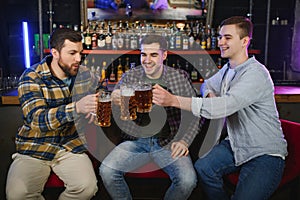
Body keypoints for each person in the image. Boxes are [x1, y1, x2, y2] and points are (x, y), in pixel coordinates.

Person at [152, 16, 287, 200]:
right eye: (220, 36)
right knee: (203, 168)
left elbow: (223, 107)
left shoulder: (255, 74)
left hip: (264, 153)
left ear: (245, 41)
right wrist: (209, 93)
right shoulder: (228, 69)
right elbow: (207, 84)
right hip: (236, 145)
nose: (221, 42)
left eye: (228, 38)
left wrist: (173, 100)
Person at [99, 34, 203, 200]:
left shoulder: (179, 77)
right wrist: (114, 99)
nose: (147, 60)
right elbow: (115, 107)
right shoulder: (130, 76)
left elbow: (198, 113)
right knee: (107, 171)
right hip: (136, 140)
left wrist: (185, 140)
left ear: (164, 55)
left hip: (168, 142)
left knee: (187, 181)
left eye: (153, 55)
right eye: (143, 54)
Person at [6, 28, 99, 200]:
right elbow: (37, 120)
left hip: (70, 145)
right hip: (35, 145)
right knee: (17, 194)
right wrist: (76, 108)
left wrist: (99, 107)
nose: (78, 59)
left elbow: (98, 99)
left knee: (86, 187)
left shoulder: (87, 76)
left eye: (80, 52)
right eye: (72, 53)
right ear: (55, 53)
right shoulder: (32, 77)